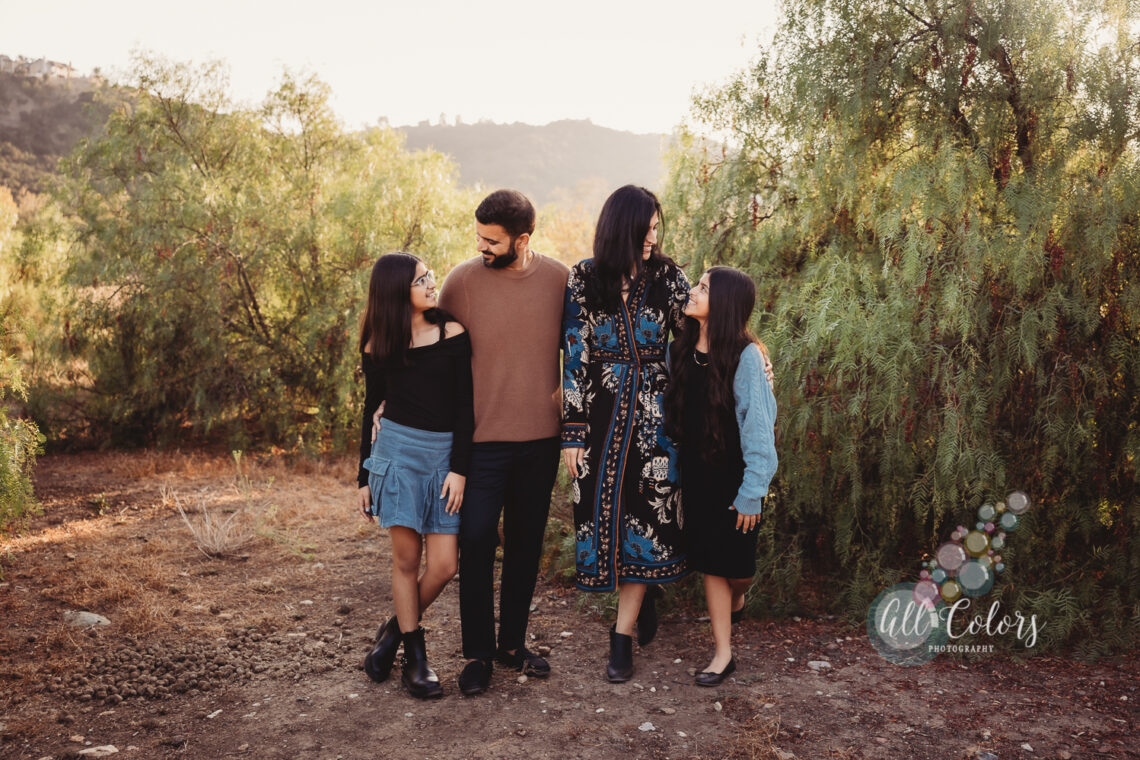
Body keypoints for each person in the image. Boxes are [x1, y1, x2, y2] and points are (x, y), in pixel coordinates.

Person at [436, 189, 570, 695]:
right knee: (474, 540)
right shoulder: (461, 281)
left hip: (542, 441)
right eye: (479, 237)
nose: (481, 247)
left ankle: (512, 645)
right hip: (481, 444)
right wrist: (388, 402)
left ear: (523, 239)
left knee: (525, 544)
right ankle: (478, 653)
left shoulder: (560, 280)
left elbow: (586, 349)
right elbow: (429, 349)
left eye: (491, 241)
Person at [561, 185, 690, 683]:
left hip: (657, 420)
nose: (653, 238)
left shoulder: (670, 278)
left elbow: (698, 338)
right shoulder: (583, 277)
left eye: (656, 228)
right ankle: (644, 593)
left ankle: (621, 637)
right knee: (601, 515)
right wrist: (573, 433)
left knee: (647, 516)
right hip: (598, 417)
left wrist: (750, 355)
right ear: (622, 228)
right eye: (645, 229)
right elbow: (575, 353)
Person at [357, 253, 473, 700]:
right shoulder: (379, 344)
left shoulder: (452, 333)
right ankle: (416, 660)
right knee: (406, 561)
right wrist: (363, 477)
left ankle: (393, 634)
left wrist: (459, 468)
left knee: (444, 566)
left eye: (430, 276)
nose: (431, 283)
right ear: (395, 291)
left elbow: (465, 407)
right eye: (421, 279)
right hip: (398, 455)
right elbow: (371, 409)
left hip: (444, 458)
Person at [664, 266, 778, 686]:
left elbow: (759, 429)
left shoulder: (746, 357)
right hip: (697, 476)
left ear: (725, 303)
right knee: (712, 564)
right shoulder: (680, 349)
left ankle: (740, 595)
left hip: (736, 477)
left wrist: (753, 491)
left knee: (738, 570)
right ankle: (723, 655)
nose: (692, 291)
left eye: (703, 288)